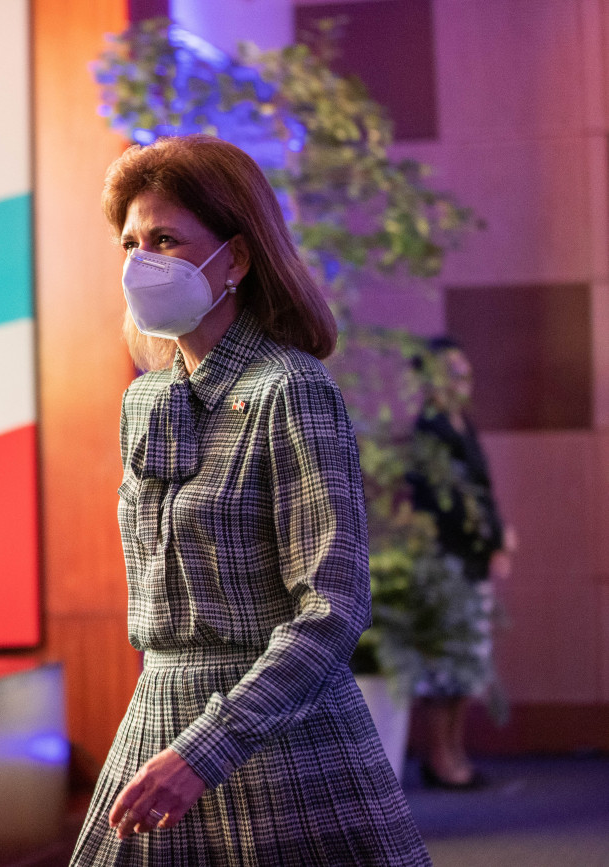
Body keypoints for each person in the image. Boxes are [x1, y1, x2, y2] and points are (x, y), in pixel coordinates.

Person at [70, 134, 431, 865]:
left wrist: (207, 748)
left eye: (165, 240)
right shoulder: (145, 401)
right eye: (131, 243)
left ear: (235, 259)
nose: (141, 262)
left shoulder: (291, 389)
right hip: (158, 713)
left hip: (279, 737)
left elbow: (332, 609)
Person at [408, 337, 514, 790]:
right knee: (445, 668)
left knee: (467, 665)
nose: (461, 381)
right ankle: (440, 760)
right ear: (430, 378)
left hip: (472, 561)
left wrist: (499, 537)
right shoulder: (430, 429)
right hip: (445, 561)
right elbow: (446, 505)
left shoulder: (462, 424)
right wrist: (486, 539)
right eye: (451, 373)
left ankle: (456, 755)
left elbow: (482, 491)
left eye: (465, 373)